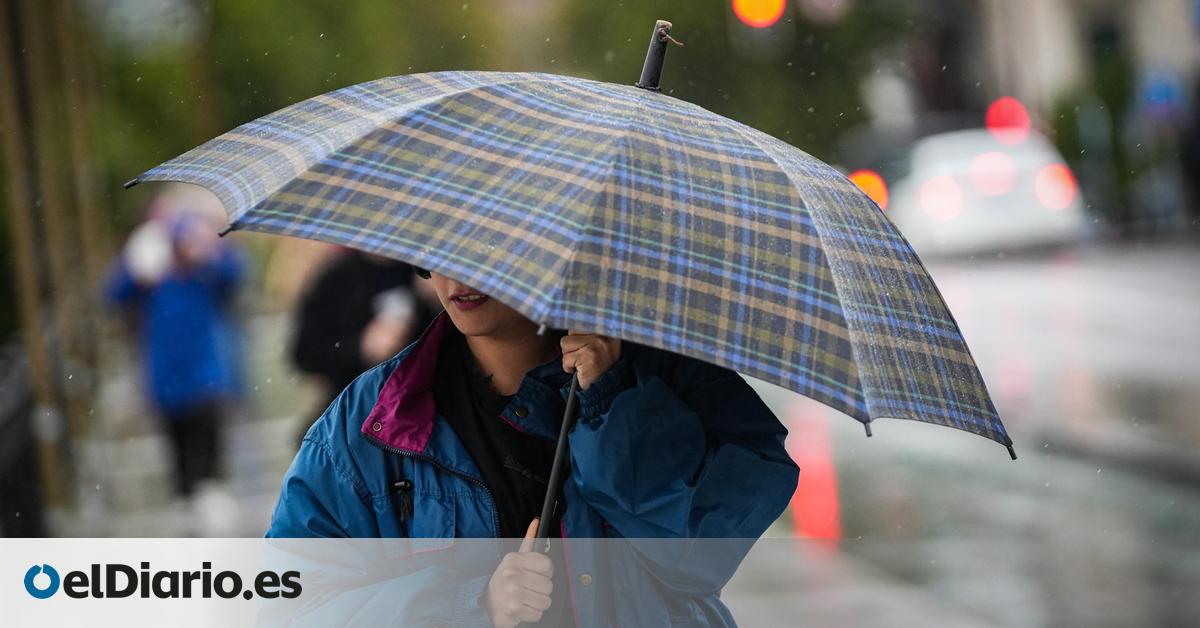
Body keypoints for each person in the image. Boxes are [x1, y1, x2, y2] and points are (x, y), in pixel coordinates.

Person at [267, 270, 799, 627]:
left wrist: (615, 406)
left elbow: (697, 560)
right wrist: (470, 605)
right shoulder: (367, 421)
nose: (460, 272)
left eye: (484, 241)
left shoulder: (669, 377)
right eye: (443, 243)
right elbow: (292, 603)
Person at [106, 211, 244, 504]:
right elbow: (115, 294)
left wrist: (214, 249)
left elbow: (235, 275)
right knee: (179, 455)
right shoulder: (154, 283)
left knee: (208, 446)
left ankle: (210, 494)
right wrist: (133, 268)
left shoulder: (206, 277)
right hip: (167, 381)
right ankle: (189, 500)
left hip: (204, 379)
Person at [289, 248, 437, 446]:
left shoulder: (423, 274)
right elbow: (305, 353)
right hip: (354, 412)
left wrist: (433, 302)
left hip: (419, 409)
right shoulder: (338, 277)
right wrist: (361, 346)